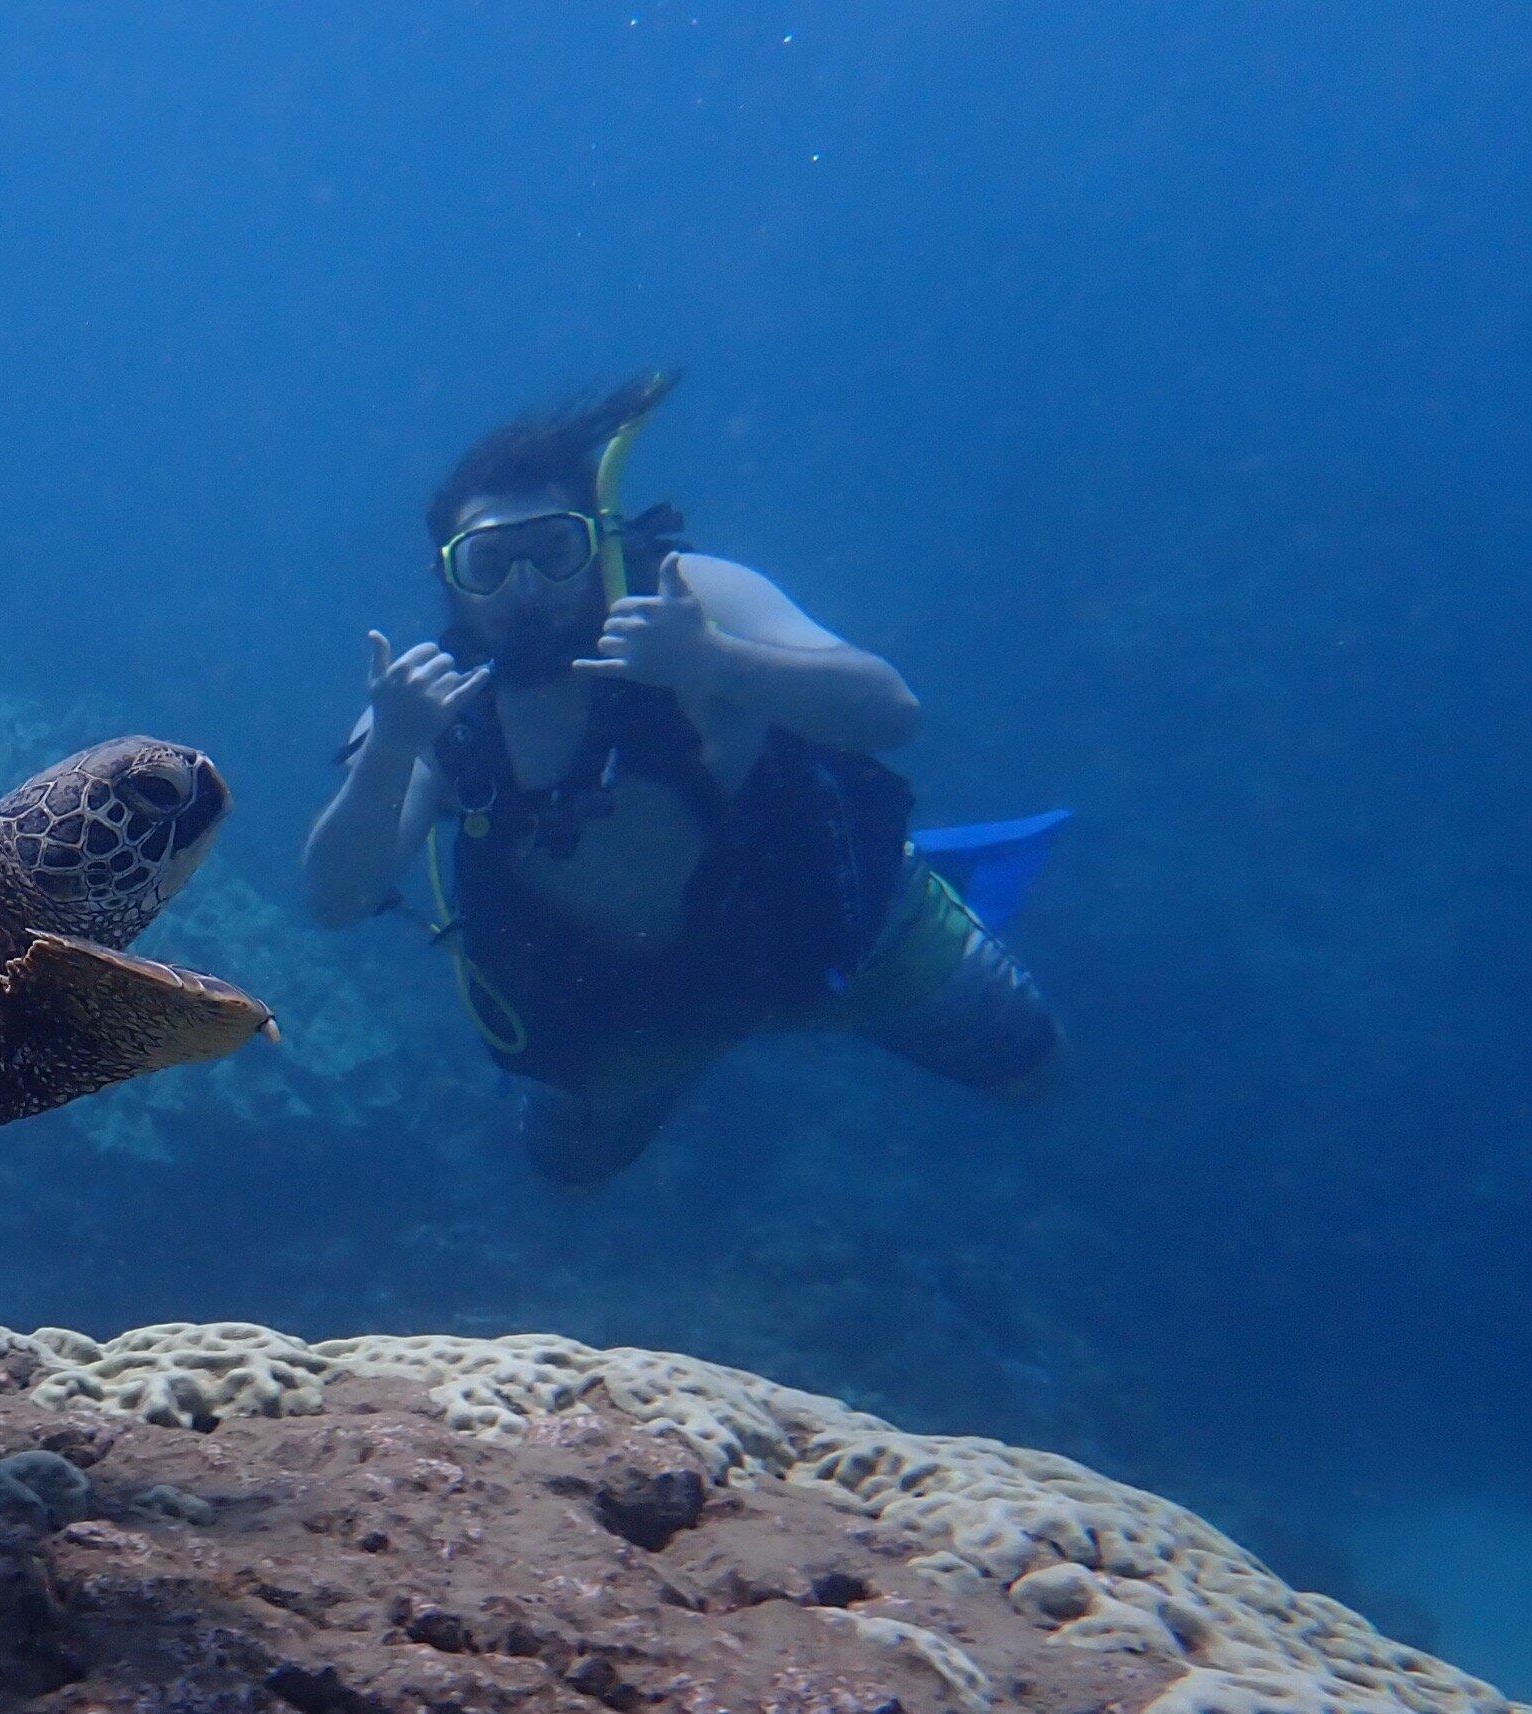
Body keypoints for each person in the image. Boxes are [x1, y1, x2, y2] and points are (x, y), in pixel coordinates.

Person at [302, 372, 1061, 1184]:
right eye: (490, 562)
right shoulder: (433, 704)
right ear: (449, 579)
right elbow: (336, 902)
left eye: (554, 552)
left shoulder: (689, 602)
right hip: (629, 1014)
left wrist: (716, 660)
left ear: (600, 542)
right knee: (570, 1172)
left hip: (854, 928)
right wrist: (389, 748)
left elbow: (892, 713)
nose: (525, 590)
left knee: (1035, 1072)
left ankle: (925, 870)